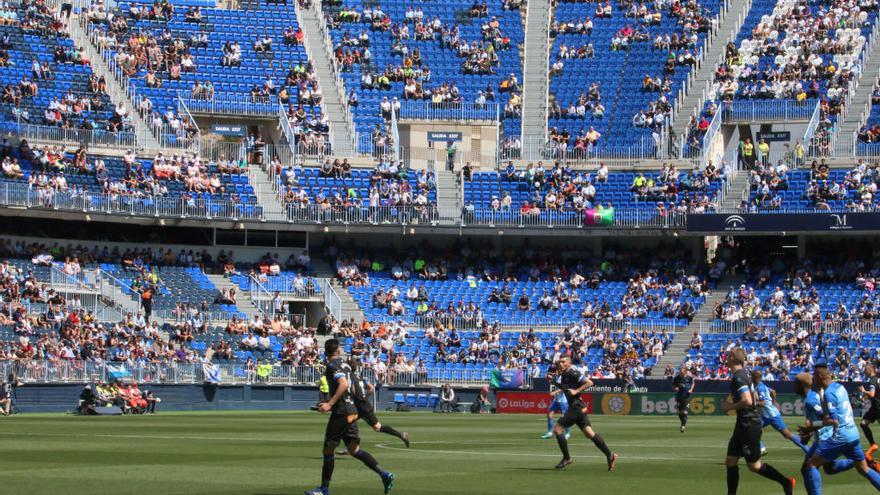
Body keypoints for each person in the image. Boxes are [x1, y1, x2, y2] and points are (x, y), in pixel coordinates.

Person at [305, 339, 395, 495]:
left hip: (341, 413)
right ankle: (385, 474)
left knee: (328, 450)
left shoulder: (332, 365)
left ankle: (324, 489)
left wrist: (330, 404)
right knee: (353, 450)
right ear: (338, 351)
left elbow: (344, 385)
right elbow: (353, 389)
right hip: (352, 412)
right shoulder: (347, 366)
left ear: (325, 353)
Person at [721, 348, 795, 495]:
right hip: (743, 423)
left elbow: (748, 401)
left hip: (749, 425)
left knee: (754, 466)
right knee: (730, 461)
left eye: (728, 356)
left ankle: (786, 482)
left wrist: (730, 406)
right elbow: (753, 397)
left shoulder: (739, 377)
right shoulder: (746, 374)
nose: (726, 358)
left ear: (732, 358)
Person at [799, 364, 880, 494]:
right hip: (853, 434)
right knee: (864, 469)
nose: (813, 379)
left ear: (820, 376)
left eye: (814, 376)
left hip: (841, 436)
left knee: (810, 464)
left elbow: (833, 420)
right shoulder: (840, 387)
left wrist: (811, 428)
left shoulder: (829, 393)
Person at [550, 354, 617, 471]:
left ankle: (567, 458)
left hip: (576, 407)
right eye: (559, 362)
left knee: (557, 430)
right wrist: (556, 383)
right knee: (589, 434)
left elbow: (589, 382)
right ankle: (610, 455)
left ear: (569, 363)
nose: (560, 364)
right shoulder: (564, 375)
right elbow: (567, 389)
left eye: (563, 362)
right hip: (579, 408)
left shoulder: (572, 373)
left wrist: (576, 391)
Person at [337, 358, 409, 455]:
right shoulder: (360, 378)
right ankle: (350, 447)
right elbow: (371, 388)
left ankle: (351, 447)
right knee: (351, 424)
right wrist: (364, 396)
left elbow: (353, 390)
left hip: (359, 406)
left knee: (349, 424)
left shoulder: (350, 378)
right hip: (364, 405)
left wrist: (353, 398)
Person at [752, 370, 807, 455]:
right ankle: (761, 448)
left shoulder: (760, 387)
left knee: (787, 435)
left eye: (752, 376)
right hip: (765, 416)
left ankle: (807, 449)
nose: (750, 378)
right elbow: (773, 391)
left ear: (756, 378)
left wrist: (751, 403)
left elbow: (762, 402)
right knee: (753, 429)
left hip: (772, 415)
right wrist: (773, 402)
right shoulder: (760, 386)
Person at [542, 367, 571, 439]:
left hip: (563, 400)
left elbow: (564, 388)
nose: (557, 371)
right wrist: (549, 376)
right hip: (556, 400)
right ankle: (550, 433)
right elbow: (551, 380)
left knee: (564, 417)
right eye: (557, 370)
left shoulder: (564, 377)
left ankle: (567, 433)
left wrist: (555, 392)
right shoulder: (556, 377)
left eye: (558, 370)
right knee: (550, 415)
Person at [860, 364, 880, 458]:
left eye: (866, 369)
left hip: (877, 408)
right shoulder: (878, 379)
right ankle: (873, 445)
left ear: (871, 369)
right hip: (876, 407)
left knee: (863, 423)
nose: (864, 371)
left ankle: (873, 444)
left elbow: (872, 394)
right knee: (863, 423)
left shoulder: (872, 380)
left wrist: (864, 391)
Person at [673, 366, 694, 432]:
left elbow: (693, 383)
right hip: (679, 396)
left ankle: (683, 426)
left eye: (682, 372)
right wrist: (675, 388)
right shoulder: (677, 378)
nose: (681, 373)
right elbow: (674, 385)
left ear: (685, 372)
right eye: (680, 372)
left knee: (685, 412)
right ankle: (682, 423)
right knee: (680, 412)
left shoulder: (689, 377)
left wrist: (691, 389)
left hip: (686, 396)